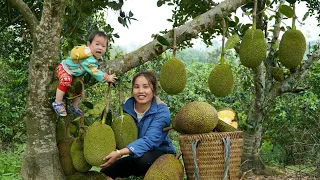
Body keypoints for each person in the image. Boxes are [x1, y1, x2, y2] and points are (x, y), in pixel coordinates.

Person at [100, 71, 176, 179]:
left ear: (153, 90)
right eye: (136, 87)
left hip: (161, 152)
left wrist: (120, 152)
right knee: (105, 172)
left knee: (143, 161)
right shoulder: (125, 108)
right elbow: (117, 133)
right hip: (136, 154)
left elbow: (150, 140)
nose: (141, 91)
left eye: (146, 87)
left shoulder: (162, 111)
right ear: (132, 90)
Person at [52, 31, 117, 116]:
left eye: (103, 46)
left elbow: (97, 63)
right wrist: (107, 77)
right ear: (89, 45)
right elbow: (94, 72)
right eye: (97, 44)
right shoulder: (88, 57)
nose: (100, 48)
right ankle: (58, 102)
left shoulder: (95, 56)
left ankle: (73, 107)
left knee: (79, 89)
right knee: (66, 80)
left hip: (74, 73)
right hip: (64, 68)